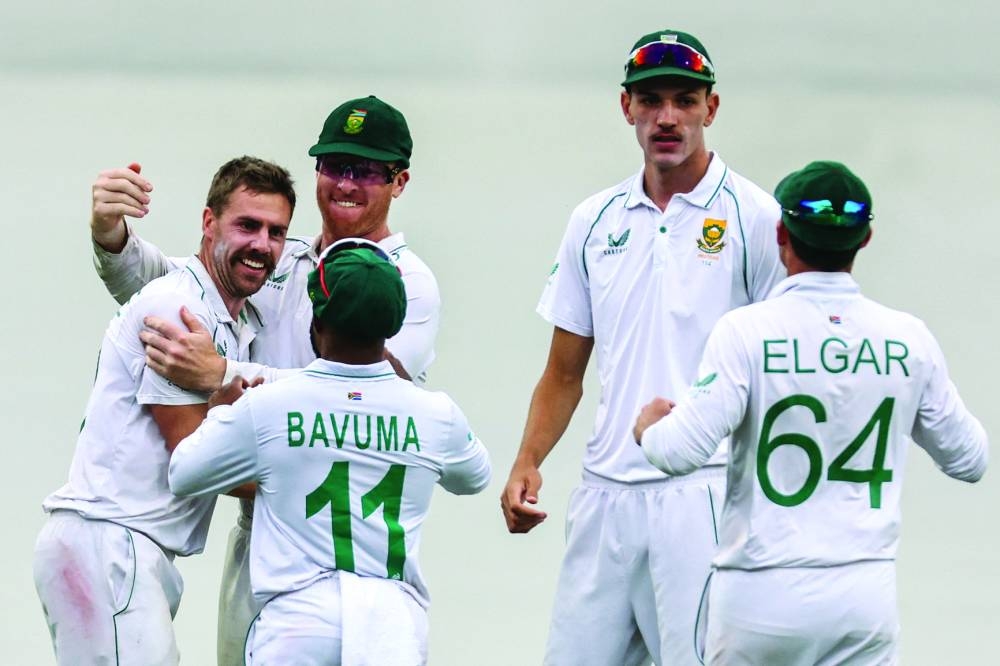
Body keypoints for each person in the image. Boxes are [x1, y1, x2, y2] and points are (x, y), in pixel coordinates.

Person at [88, 95, 441, 665]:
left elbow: (368, 399)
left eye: (367, 170)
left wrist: (222, 372)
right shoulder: (281, 261)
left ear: (398, 181)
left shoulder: (408, 282)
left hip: (351, 541)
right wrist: (112, 235)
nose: (346, 183)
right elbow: (180, 290)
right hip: (261, 525)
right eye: (334, 165)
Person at [500, 29, 785, 665]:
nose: (667, 117)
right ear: (625, 107)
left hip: (706, 492)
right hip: (604, 496)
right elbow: (564, 372)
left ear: (711, 108)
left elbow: (779, 374)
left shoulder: (756, 218)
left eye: (684, 100)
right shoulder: (594, 220)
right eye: (650, 99)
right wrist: (528, 459)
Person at [634, 160, 989, 665]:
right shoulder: (909, 338)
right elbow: (970, 460)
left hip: (760, 596)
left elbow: (679, 452)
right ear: (864, 241)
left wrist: (648, 429)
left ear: (782, 233)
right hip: (863, 596)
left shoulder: (745, 332)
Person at [168, 242, 491, 665]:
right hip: (392, 625)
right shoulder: (437, 414)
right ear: (391, 326)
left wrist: (217, 411)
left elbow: (184, 474)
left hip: (295, 623)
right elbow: (475, 477)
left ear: (318, 320)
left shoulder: (268, 405)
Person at [33, 156, 296, 665]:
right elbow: (193, 456)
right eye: (247, 225)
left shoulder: (224, 313)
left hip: (121, 549)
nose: (262, 245)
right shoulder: (182, 308)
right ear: (208, 223)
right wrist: (308, 476)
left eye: (276, 232)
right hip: (109, 543)